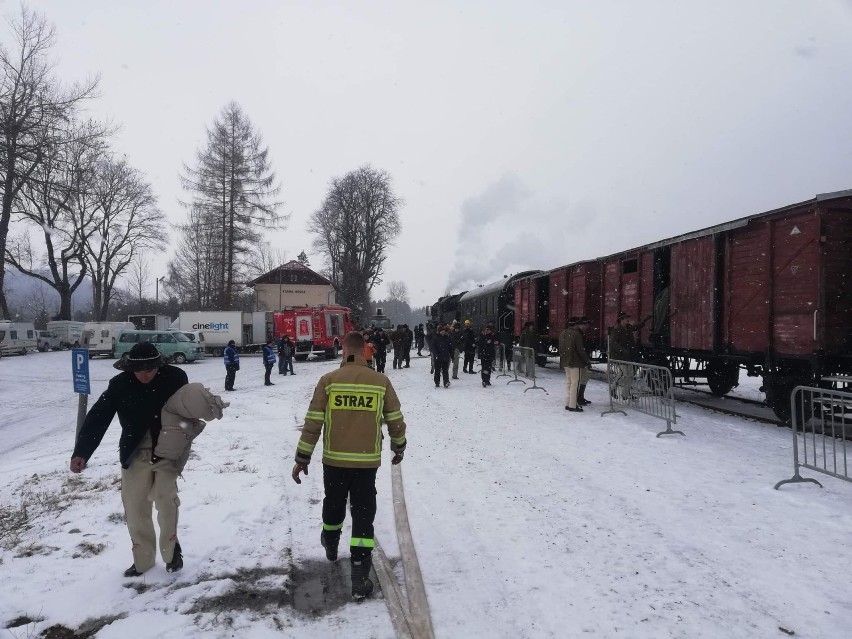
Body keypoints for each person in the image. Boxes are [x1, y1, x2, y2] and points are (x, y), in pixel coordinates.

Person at [291, 331, 407, 600]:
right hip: (366, 462)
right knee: (363, 513)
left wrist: (302, 458)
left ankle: (330, 543)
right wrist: (398, 447)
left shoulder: (328, 381)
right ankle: (359, 570)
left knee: (333, 502)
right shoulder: (380, 382)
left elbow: (312, 423)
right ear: (366, 351)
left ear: (344, 351)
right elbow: (395, 420)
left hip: (334, 460)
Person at [69, 342, 189, 577]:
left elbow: (187, 411)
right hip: (135, 452)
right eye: (139, 370)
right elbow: (98, 417)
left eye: (150, 369)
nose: (145, 374)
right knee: (135, 508)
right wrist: (82, 452)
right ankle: (142, 559)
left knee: (165, 500)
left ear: (158, 366)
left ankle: (172, 551)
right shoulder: (120, 384)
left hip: (167, 450)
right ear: (130, 368)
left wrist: (187, 432)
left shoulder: (175, 378)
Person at [609, 311, 651, 400]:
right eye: (625, 318)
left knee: (629, 374)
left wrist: (645, 320)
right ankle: (615, 389)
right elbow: (612, 343)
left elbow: (636, 327)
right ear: (621, 320)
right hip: (619, 356)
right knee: (625, 374)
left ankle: (624, 393)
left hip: (627, 356)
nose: (628, 320)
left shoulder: (628, 328)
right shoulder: (616, 330)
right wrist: (622, 350)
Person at [559, 317, 592, 412]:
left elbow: (561, 349)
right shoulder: (577, 335)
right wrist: (587, 361)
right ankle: (573, 405)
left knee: (569, 383)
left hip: (566, 362)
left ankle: (568, 402)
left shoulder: (562, 333)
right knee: (575, 383)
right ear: (576, 324)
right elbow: (581, 350)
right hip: (576, 362)